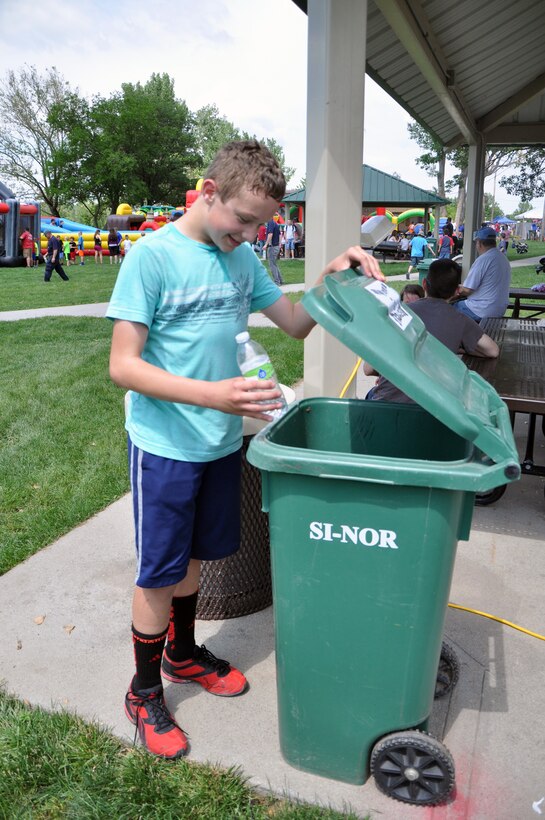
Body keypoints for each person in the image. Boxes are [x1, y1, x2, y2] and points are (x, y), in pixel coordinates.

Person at [106, 139, 384, 760]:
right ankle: (143, 690)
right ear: (209, 192)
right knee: (160, 571)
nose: (251, 233)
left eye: (261, 224)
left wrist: (331, 275)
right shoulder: (150, 259)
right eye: (244, 219)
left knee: (199, 558)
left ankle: (180, 653)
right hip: (166, 445)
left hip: (220, 442)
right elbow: (122, 366)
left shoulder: (243, 259)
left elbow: (295, 321)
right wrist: (214, 395)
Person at [364, 258, 499, 403]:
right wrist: (463, 348)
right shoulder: (460, 320)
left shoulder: (399, 313)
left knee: (371, 394)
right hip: (432, 408)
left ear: (424, 285)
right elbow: (493, 350)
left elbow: (368, 369)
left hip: (387, 403)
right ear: (457, 291)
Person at [452, 226, 511, 322]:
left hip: (481, 310)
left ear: (479, 243)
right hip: (498, 310)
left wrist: (452, 288)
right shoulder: (502, 257)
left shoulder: (483, 259)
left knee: (446, 309)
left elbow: (467, 290)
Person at [263, 215, 283, 285]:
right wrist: (280, 244)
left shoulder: (270, 223)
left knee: (272, 265)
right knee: (274, 264)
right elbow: (280, 235)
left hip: (272, 247)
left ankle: (277, 282)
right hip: (276, 246)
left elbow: (270, 234)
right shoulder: (275, 223)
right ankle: (280, 280)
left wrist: (266, 244)